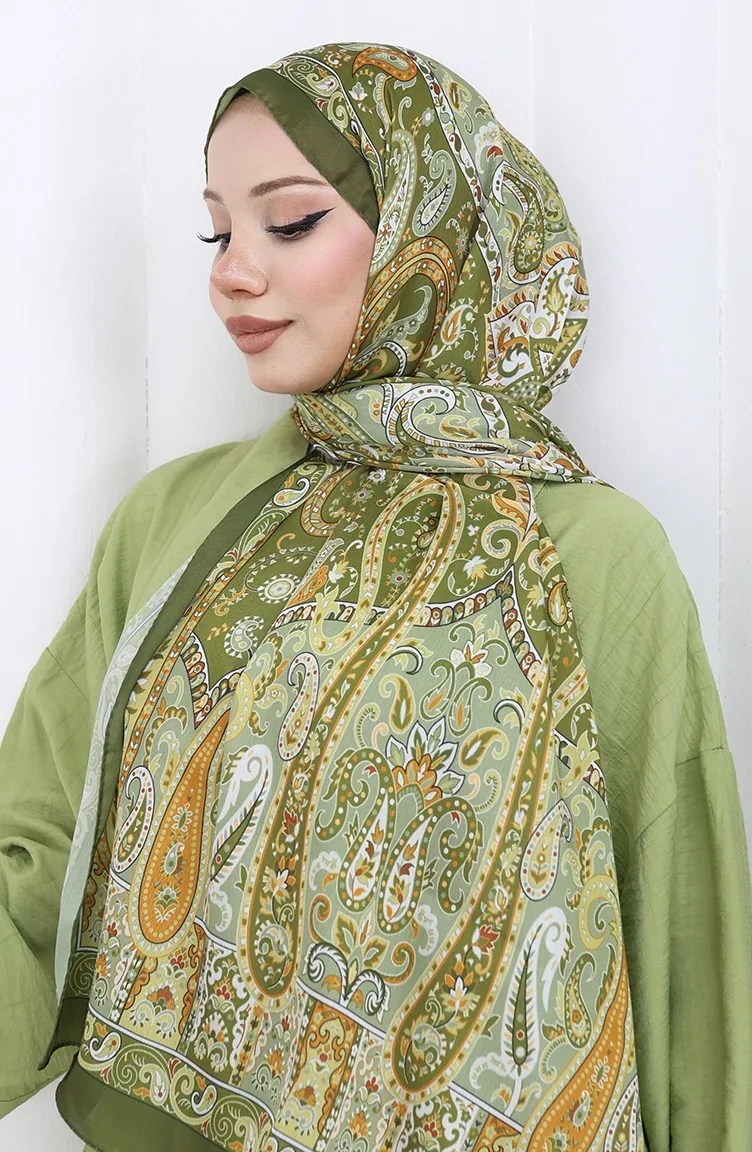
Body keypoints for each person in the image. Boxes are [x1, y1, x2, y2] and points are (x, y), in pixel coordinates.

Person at [0, 39, 750, 1152]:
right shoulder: (173, 518)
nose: (230, 273)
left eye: (289, 221)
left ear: (426, 232)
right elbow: (39, 854)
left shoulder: (597, 554)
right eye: (217, 230)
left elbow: (683, 956)